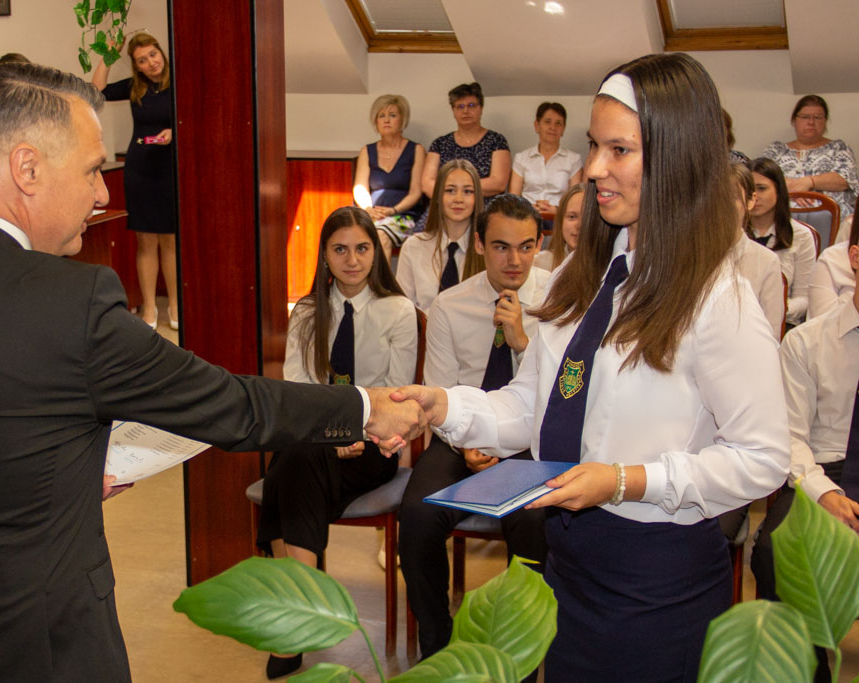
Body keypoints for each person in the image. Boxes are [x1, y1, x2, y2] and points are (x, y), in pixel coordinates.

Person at [0, 62, 425, 683]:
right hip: (40, 647)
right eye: (91, 169)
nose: (101, 194)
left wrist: (48, 477)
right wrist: (367, 407)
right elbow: (230, 405)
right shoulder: (73, 303)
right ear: (27, 169)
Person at [392, 53, 789, 682]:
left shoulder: (719, 300)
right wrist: (443, 405)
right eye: (594, 145)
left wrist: (625, 481)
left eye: (619, 150)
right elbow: (536, 403)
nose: (595, 168)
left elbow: (762, 458)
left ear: (677, 159)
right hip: (569, 564)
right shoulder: (586, 277)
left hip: (655, 585)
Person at [257, 206, 417, 679]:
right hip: (316, 440)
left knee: (287, 468)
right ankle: (304, 609)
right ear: (324, 255)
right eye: (340, 249)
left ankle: (297, 615)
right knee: (300, 457)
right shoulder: (309, 312)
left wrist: (350, 431)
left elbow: (397, 394)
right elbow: (297, 390)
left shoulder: (398, 310)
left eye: (362, 248)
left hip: (375, 445)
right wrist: (330, 436)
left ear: (377, 253)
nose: (352, 260)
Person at [399, 194, 550, 661]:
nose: (515, 260)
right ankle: (438, 647)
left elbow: (562, 395)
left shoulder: (559, 299)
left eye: (526, 247)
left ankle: (521, 657)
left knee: (533, 518)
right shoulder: (450, 305)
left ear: (539, 245)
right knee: (417, 514)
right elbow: (439, 391)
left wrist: (523, 342)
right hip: (460, 438)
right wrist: (470, 443)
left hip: (529, 440)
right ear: (480, 245)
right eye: (502, 247)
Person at [751, 237, 859, 683]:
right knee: (776, 552)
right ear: (855, 257)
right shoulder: (807, 342)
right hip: (823, 471)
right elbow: (791, 438)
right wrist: (826, 495)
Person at [93, 32, 177, 330]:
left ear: (161, 53)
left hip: (170, 170)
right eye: (142, 60)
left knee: (170, 241)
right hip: (141, 171)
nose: (151, 63)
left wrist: (175, 132)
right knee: (146, 242)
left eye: (153, 54)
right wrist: (108, 56)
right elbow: (96, 91)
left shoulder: (179, 83)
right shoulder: (134, 88)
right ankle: (150, 308)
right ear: (136, 66)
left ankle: (175, 306)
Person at [415, 82, 509, 231]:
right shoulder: (440, 143)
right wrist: (455, 196)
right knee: (420, 236)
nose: (466, 111)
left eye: (471, 105)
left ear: (481, 108)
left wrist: (454, 190)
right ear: (453, 110)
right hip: (444, 207)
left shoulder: (496, 141)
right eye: (460, 106)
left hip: (482, 207)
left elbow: (498, 183)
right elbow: (427, 184)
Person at [396, 159, 483, 312]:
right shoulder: (413, 247)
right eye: (450, 191)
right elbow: (403, 310)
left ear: (477, 198)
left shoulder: (488, 249)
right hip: (424, 327)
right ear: (437, 196)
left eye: (468, 191)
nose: (458, 199)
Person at [761, 94, 858, 224]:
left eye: (817, 117)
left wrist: (809, 182)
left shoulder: (839, 148)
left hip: (832, 219)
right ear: (794, 120)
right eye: (805, 117)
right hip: (782, 218)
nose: (811, 122)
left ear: (825, 121)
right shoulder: (776, 150)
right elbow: (761, 179)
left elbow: (844, 179)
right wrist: (793, 189)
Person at [352, 95, 426, 258]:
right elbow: (360, 188)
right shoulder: (367, 151)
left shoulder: (417, 150)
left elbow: (416, 192)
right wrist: (368, 210)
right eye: (381, 116)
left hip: (404, 217)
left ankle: (380, 277)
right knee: (351, 237)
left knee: (381, 235)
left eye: (392, 115)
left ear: (402, 120)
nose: (386, 120)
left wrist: (393, 210)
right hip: (371, 215)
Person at [749, 157, 817, 326]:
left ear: (779, 191)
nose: (754, 196)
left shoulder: (801, 235)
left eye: (762, 188)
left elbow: (804, 299)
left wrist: (777, 308)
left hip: (784, 322)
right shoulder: (732, 234)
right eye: (749, 189)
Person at [730, 163, 785, 338]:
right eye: (716, 197)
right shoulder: (689, 256)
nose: (722, 206)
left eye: (732, 197)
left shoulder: (767, 261)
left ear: (750, 201)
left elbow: (771, 333)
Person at [508, 102, 583, 216]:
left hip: (560, 217)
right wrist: (531, 208)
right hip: (526, 215)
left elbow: (575, 200)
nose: (553, 127)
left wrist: (556, 210)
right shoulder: (521, 158)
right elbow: (513, 198)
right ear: (537, 125)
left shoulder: (574, 160)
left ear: (563, 129)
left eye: (558, 123)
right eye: (547, 122)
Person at [533, 183, 583, 272]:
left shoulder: (608, 266)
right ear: (561, 221)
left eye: (587, 218)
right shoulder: (540, 263)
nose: (579, 225)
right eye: (572, 217)